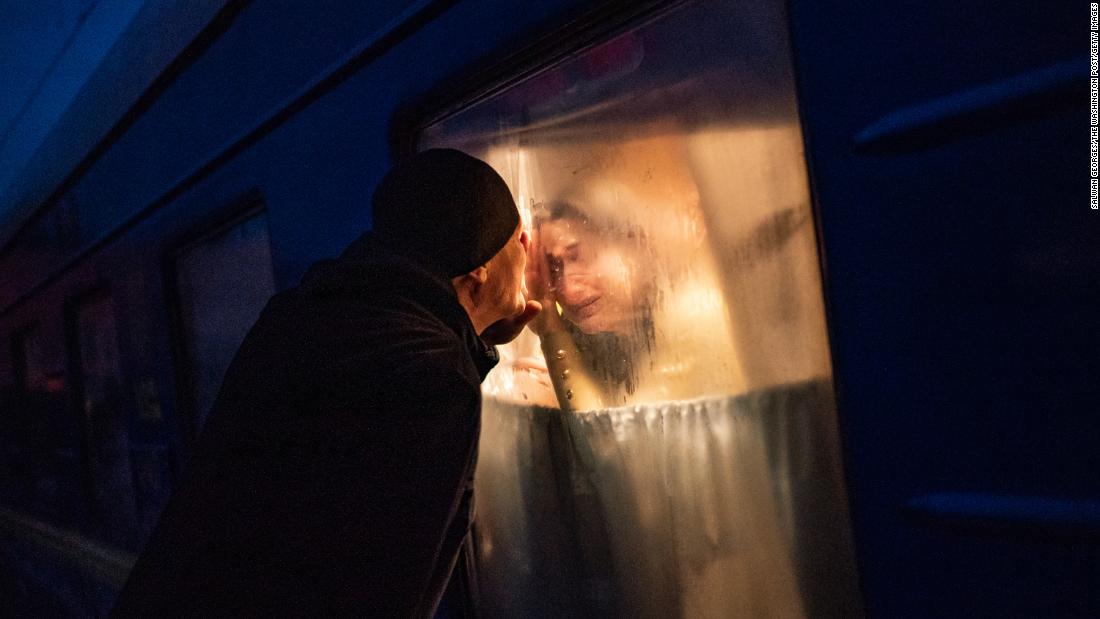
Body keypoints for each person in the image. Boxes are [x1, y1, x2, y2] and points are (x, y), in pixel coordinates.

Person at [111, 149, 540, 617]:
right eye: (515, 239)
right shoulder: (432, 383)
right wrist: (461, 351)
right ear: (477, 274)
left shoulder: (300, 317)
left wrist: (472, 332)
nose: (527, 244)